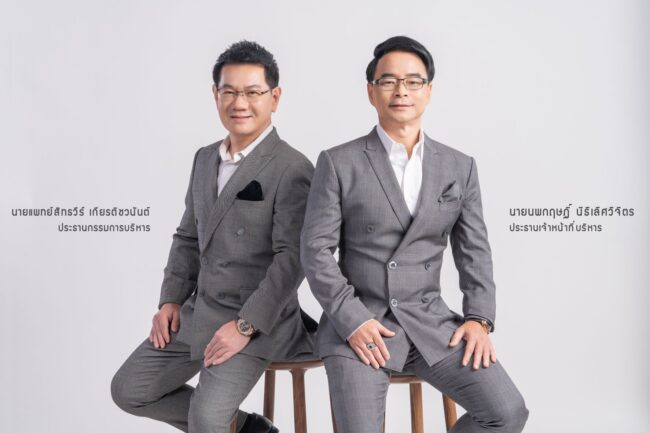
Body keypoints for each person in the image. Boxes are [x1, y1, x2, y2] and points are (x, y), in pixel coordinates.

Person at [300, 36, 529, 433]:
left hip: (430, 323)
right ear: (371, 92)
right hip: (360, 325)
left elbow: (474, 252)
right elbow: (315, 251)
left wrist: (479, 319)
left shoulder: (459, 166)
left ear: (429, 91)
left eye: (413, 81)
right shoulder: (338, 162)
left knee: (507, 413)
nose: (401, 91)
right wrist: (352, 320)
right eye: (388, 81)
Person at [111, 40, 315, 433]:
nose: (240, 103)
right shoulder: (205, 158)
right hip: (199, 309)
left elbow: (293, 259)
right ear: (215, 94)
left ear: (274, 97)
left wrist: (245, 325)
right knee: (129, 390)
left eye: (252, 92)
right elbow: (188, 236)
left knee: (207, 419)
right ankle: (249, 429)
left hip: (258, 319)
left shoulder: (293, 167)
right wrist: (171, 299)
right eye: (229, 91)